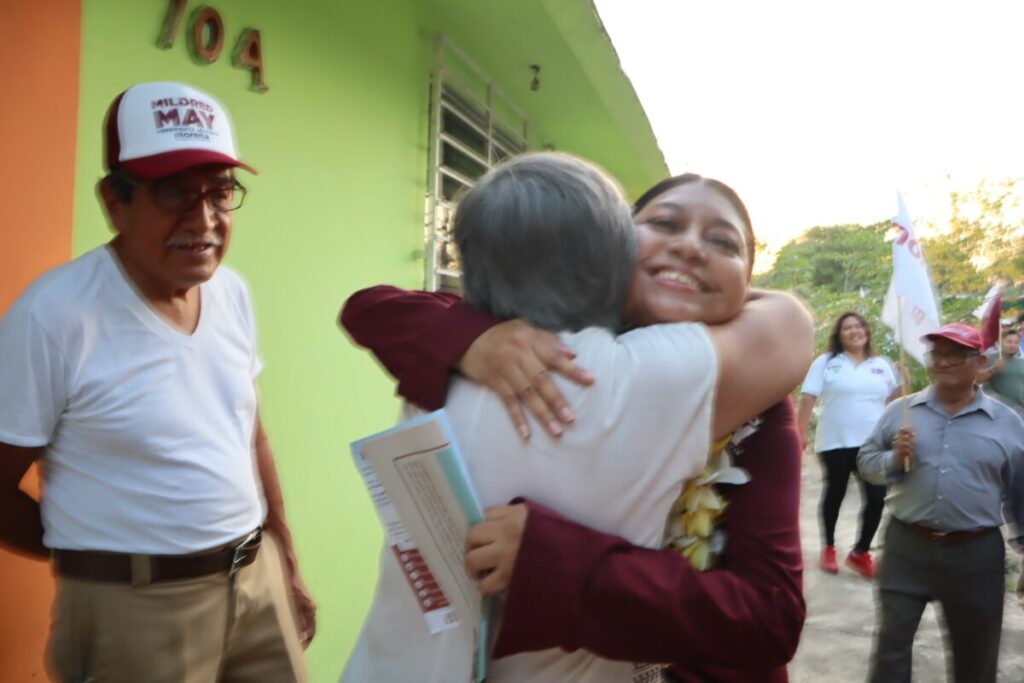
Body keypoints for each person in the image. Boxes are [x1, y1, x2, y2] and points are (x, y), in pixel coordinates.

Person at [341, 170, 812, 681]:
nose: (692, 248)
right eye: (664, 223)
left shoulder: (758, 408)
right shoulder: (518, 341)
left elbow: (770, 615)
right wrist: (469, 339)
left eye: (723, 242)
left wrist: (553, 563)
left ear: (749, 282)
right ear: (612, 248)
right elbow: (376, 308)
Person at [0, 82, 314, 682]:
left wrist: (285, 559)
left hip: (256, 581)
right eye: (173, 194)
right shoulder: (55, 316)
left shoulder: (232, 293)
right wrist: (97, 557)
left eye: (220, 194)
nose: (204, 221)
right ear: (114, 202)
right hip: (134, 612)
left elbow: (249, 432)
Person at [857, 323, 1024, 683]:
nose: (944, 362)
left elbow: (1021, 492)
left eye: (956, 355)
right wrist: (892, 459)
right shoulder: (901, 413)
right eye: (938, 354)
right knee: (891, 647)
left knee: (976, 655)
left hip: (975, 554)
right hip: (907, 547)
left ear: (979, 362)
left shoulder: (1008, 424)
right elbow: (866, 463)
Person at [796, 312, 906, 578]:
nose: (854, 331)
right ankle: (829, 547)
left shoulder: (882, 364)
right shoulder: (827, 362)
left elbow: (894, 400)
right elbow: (808, 397)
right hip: (835, 441)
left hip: (874, 444)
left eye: (859, 326)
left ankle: (860, 552)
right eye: (847, 328)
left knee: (877, 498)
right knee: (835, 493)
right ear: (839, 334)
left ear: (867, 331)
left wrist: (903, 380)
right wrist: (800, 431)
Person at [978, 328, 1024, 415]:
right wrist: (993, 369)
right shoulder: (989, 359)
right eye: (1009, 342)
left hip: (1019, 410)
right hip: (997, 410)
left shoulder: (1021, 362)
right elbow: (977, 380)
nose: (1012, 345)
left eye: (1016, 342)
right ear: (1001, 342)